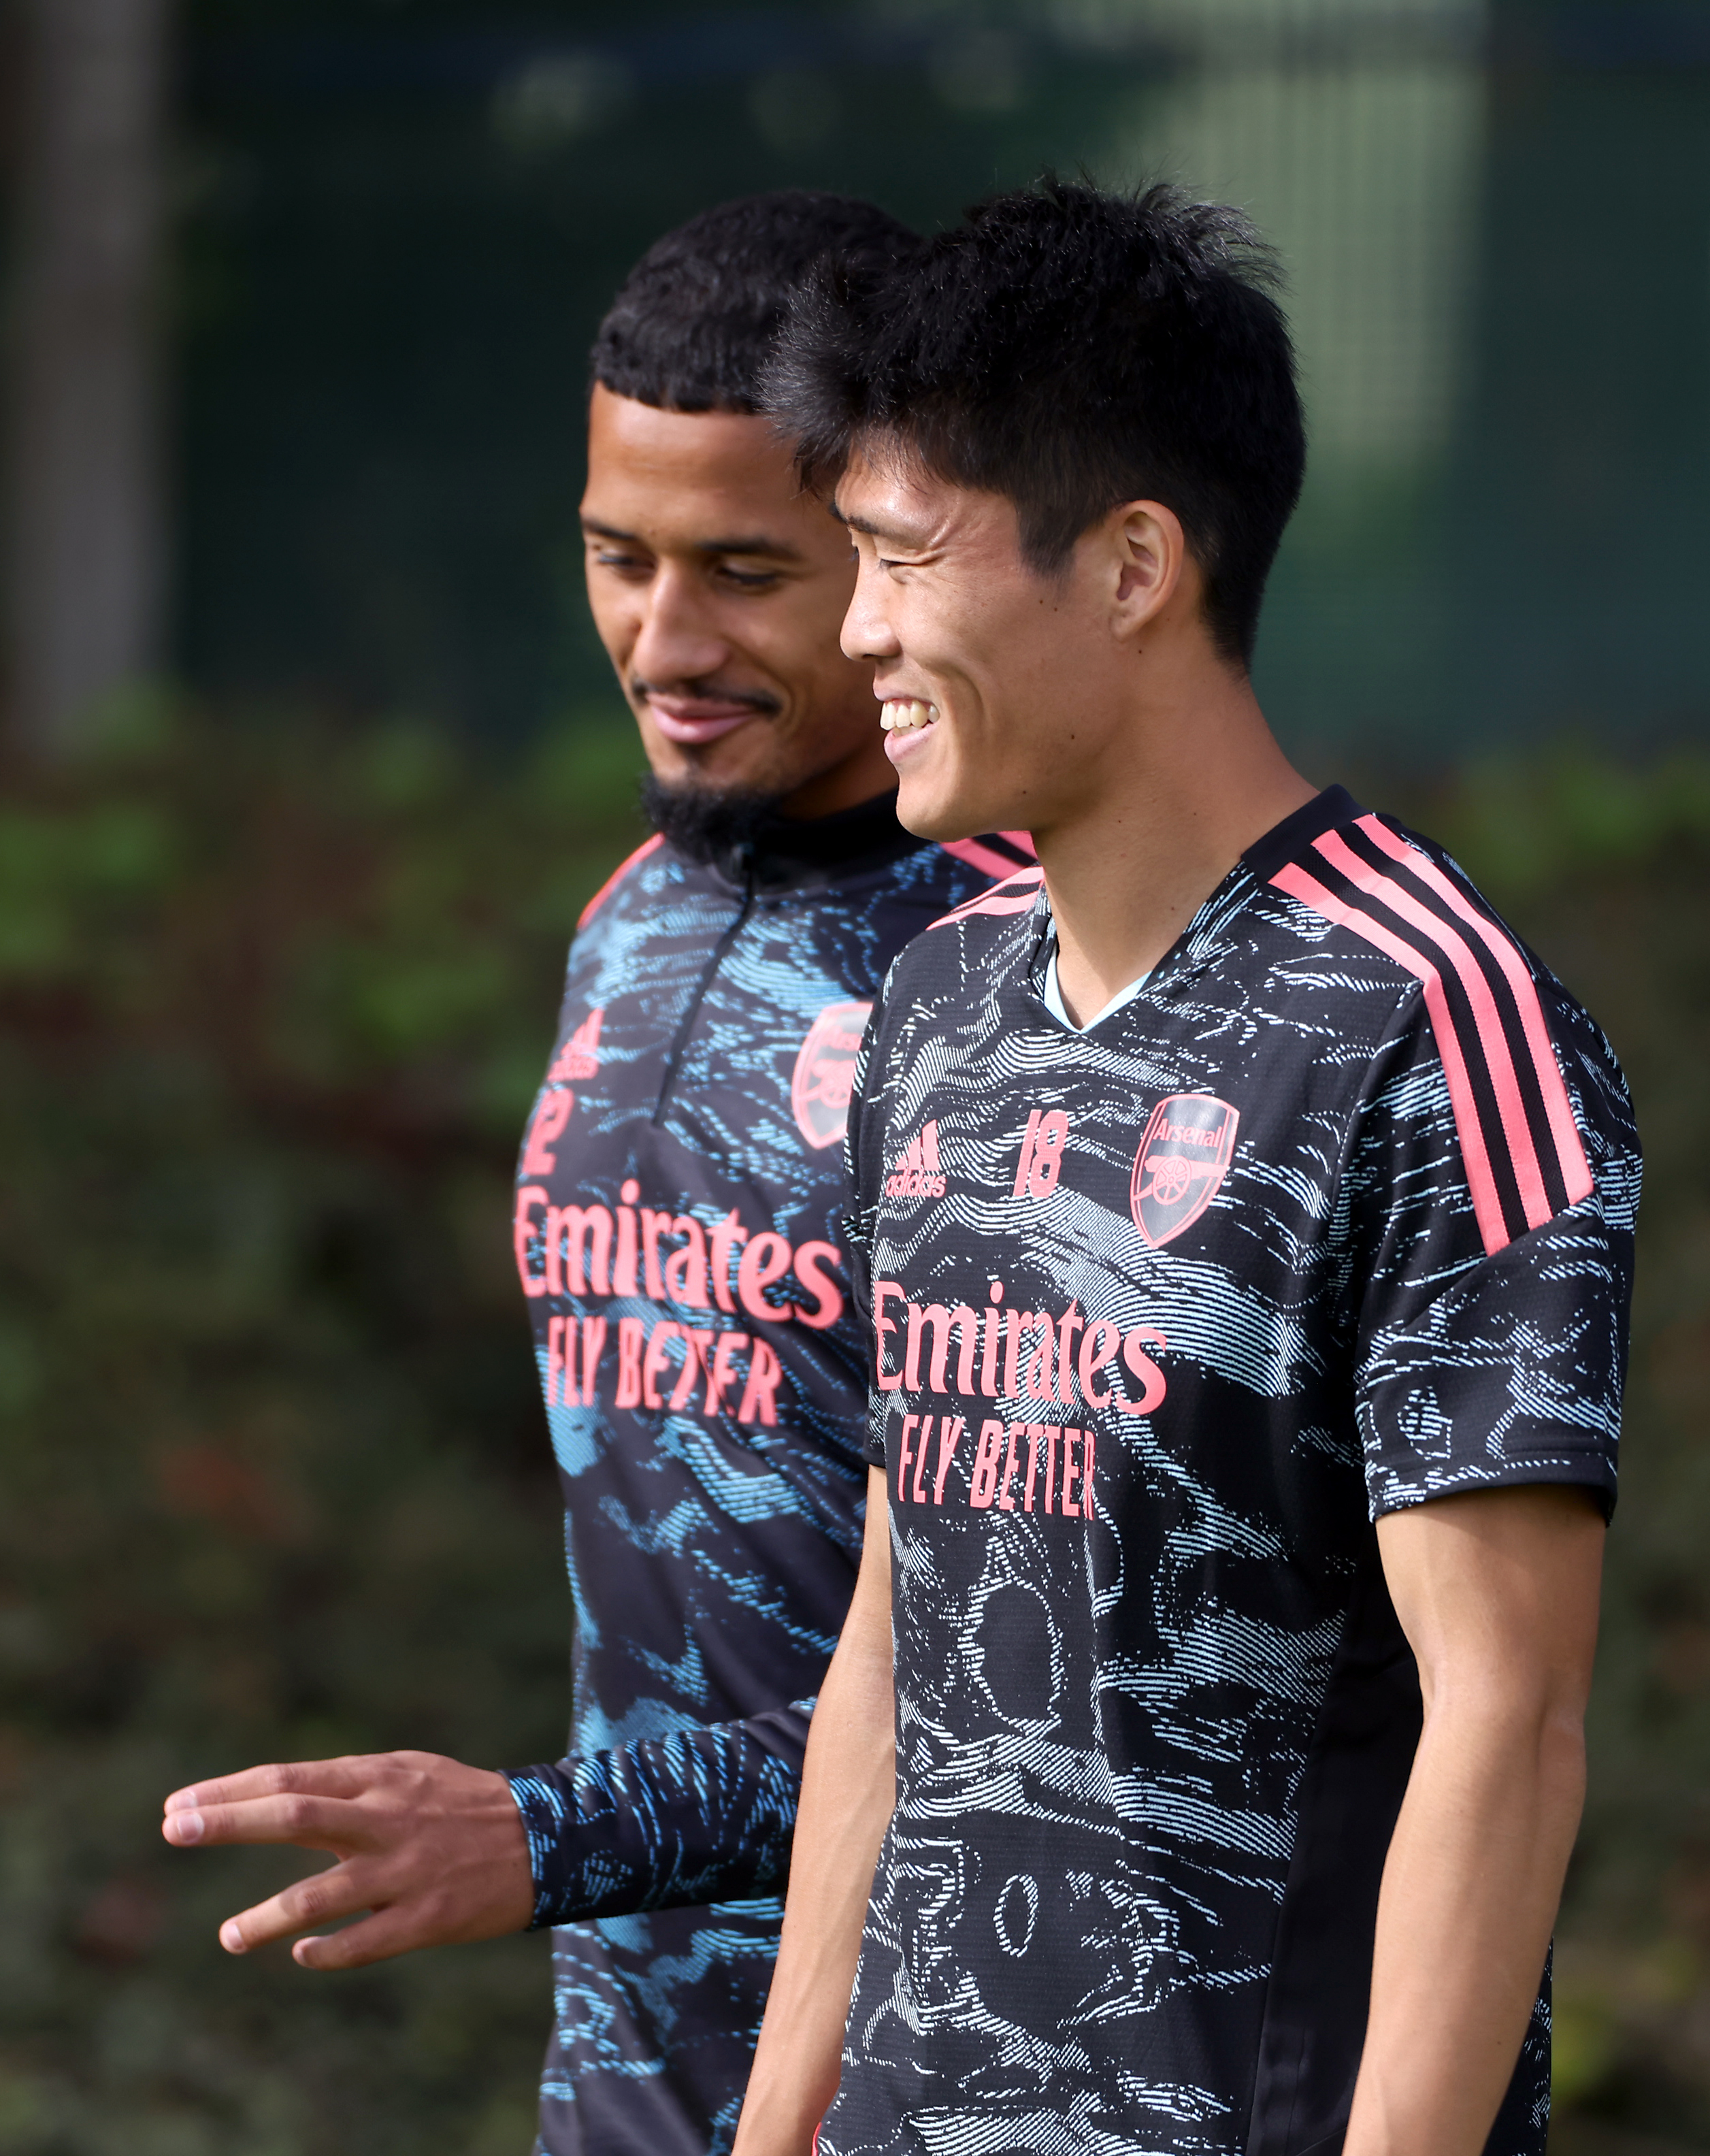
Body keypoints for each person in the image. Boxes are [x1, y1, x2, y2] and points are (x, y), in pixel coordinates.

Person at [731, 180, 1640, 2156]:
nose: (857, 628)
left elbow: (1508, 1720)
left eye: (899, 558)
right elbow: (901, 1605)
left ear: (1131, 564)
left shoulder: (1428, 1028)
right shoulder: (938, 1000)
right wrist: (778, 2119)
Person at [157, 192, 1033, 2156]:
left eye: (743, 572)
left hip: (964, 2065)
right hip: (630, 2056)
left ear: (902, 560)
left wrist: (551, 1832)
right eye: (614, 559)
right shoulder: (627, 921)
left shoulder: (1040, 980)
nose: (664, 640)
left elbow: (1044, 1682)